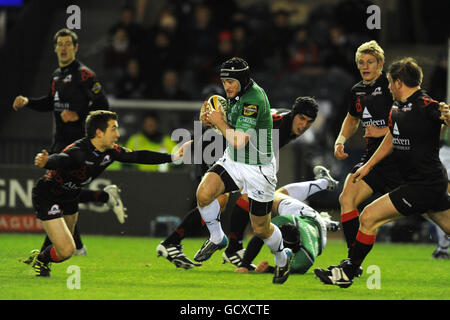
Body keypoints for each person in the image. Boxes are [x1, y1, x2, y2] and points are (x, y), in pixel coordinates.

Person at [157, 97, 339, 270]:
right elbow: (242, 125)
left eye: (309, 121)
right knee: (220, 201)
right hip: (218, 150)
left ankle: (231, 247)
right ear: (294, 113)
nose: (304, 125)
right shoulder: (277, 123)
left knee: (244, 196)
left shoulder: (288, 126)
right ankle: (173, 243)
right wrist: (200, 140)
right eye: (301, 118)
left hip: (237, 156)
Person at [314, 58, 450, 288]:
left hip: (423, 185)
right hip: (427, 184)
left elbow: (443, 114)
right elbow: (391, 138)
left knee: (368, 217)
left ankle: (348, 271)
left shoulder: (425, 104)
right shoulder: (397, 106)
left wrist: (447, 115)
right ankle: (349, 267)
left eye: (389, 82)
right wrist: (367, 166)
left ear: (398, 82)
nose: (387, 87)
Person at [24, 110, 190, 277]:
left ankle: (41, 257)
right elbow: (61, 159)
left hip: (70, 197)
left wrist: (173, 157)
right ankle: (41, 260)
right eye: (113, 129)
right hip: (48, 195)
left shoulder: (111, 151)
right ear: (99, 132)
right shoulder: (79, 152)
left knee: (64, 244)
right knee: (67, 250)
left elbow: (138, 156)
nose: (117, 134)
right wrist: (46, 161)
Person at [12, 28, 126, 256]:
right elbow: (49, 103)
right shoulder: (56, 75)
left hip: (78, 146)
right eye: (60, 44)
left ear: (75, 48)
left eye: (67, 44)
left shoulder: (84, 75)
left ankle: (51, 251)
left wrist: (78, 113)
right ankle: (77, 245)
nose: (63, 48)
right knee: (64, 194)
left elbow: (103, 105)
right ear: (55, 48)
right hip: (60, 143)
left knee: (60, 192)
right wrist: (28, 102)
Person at [332, 40, 402, 265]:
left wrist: (384, 130)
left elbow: (408, 115)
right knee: (346, 198)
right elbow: (353, 118)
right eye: (361, 62)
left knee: (430, 208)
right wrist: (341, 140)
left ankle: (353, 262)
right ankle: (353, 261)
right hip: (371, 156)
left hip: (397, 156)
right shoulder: (357, 90)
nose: (365, 66)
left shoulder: (392, 85)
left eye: (370, 62)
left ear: (380, 63)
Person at [234, 182, 340, 275]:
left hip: (312, 226)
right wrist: (245, 264)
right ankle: (323, 217)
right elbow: (261, 234)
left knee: (273, 195)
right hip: (307, 220)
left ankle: (324, 183)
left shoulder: (305, 256)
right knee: (274, 197)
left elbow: (294, 269)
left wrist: (268, 269)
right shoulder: (285, 220)